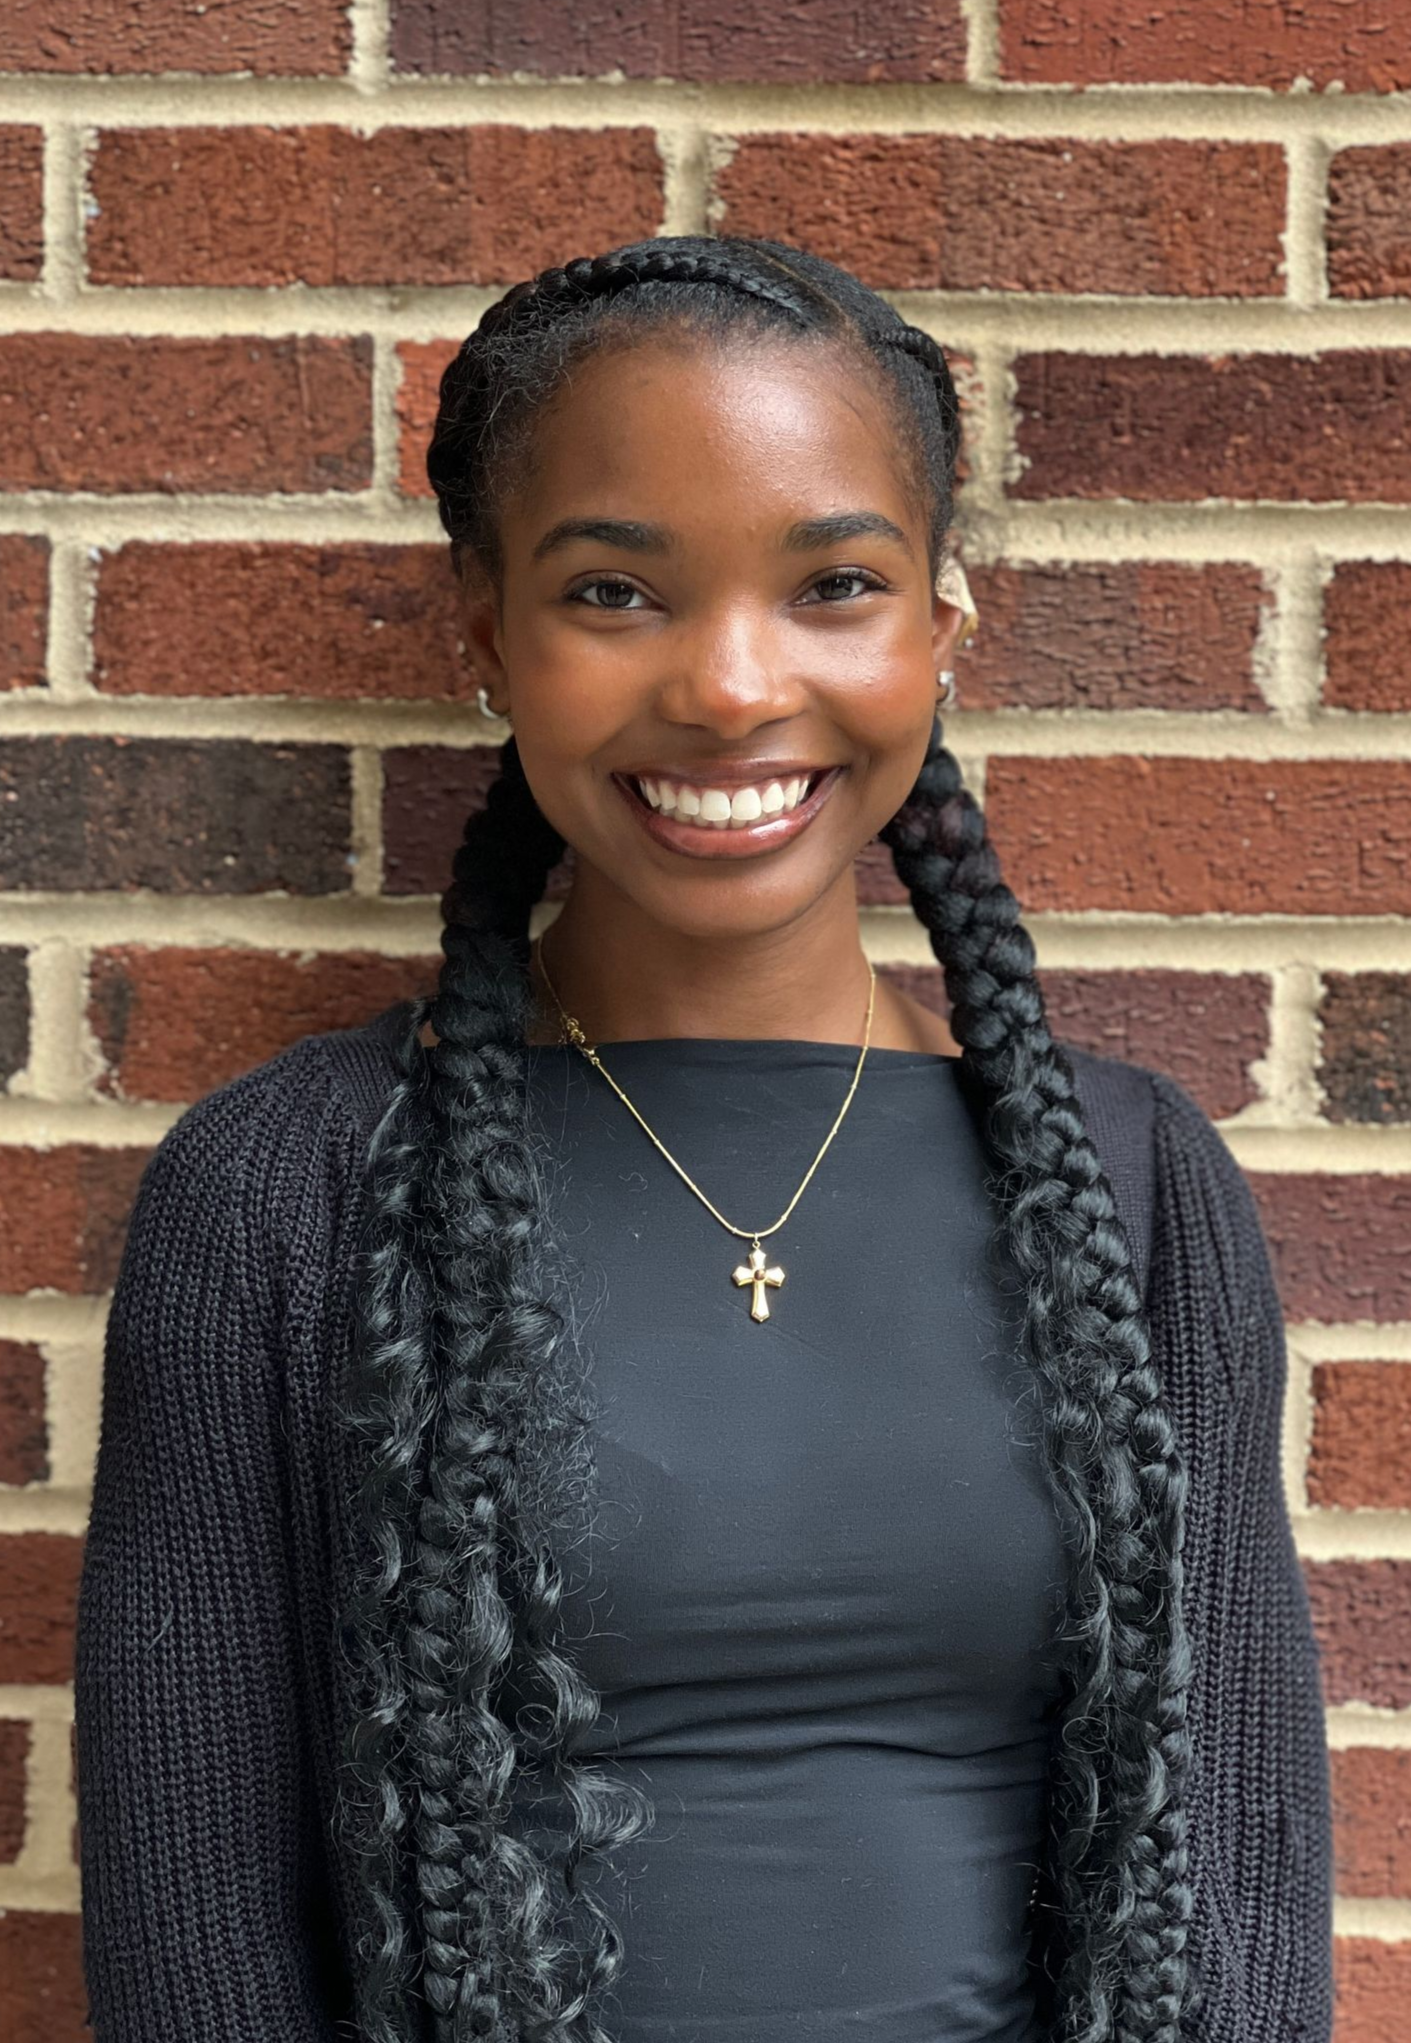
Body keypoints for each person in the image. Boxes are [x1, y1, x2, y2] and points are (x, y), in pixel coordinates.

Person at [73, 235, 1333, 2043]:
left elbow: (1238, 1896)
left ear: (938, 632)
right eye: (613, 592)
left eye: (832, 583)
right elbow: (199, 1948)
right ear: (483, 632)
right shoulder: (283, 1193)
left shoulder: (1132, 1188)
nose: (734, 686)